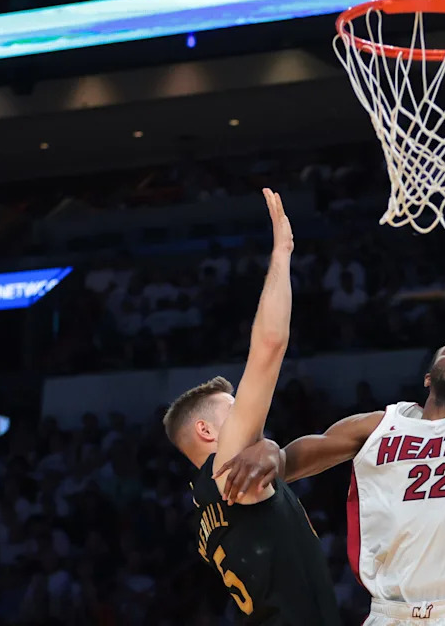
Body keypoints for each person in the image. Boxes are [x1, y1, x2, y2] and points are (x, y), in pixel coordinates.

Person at [217, 133, 445, 625]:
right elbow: (295, 457)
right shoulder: (380, 426)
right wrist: (272, 453)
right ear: (427, 375)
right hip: (386, 615)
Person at [161, 188, 341, 625]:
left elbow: (313, 452)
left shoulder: (217, 499)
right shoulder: (227, 470)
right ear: (207, 432)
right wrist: (282, 253)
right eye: (233, 408)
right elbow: (269, 347)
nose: (247, 410)